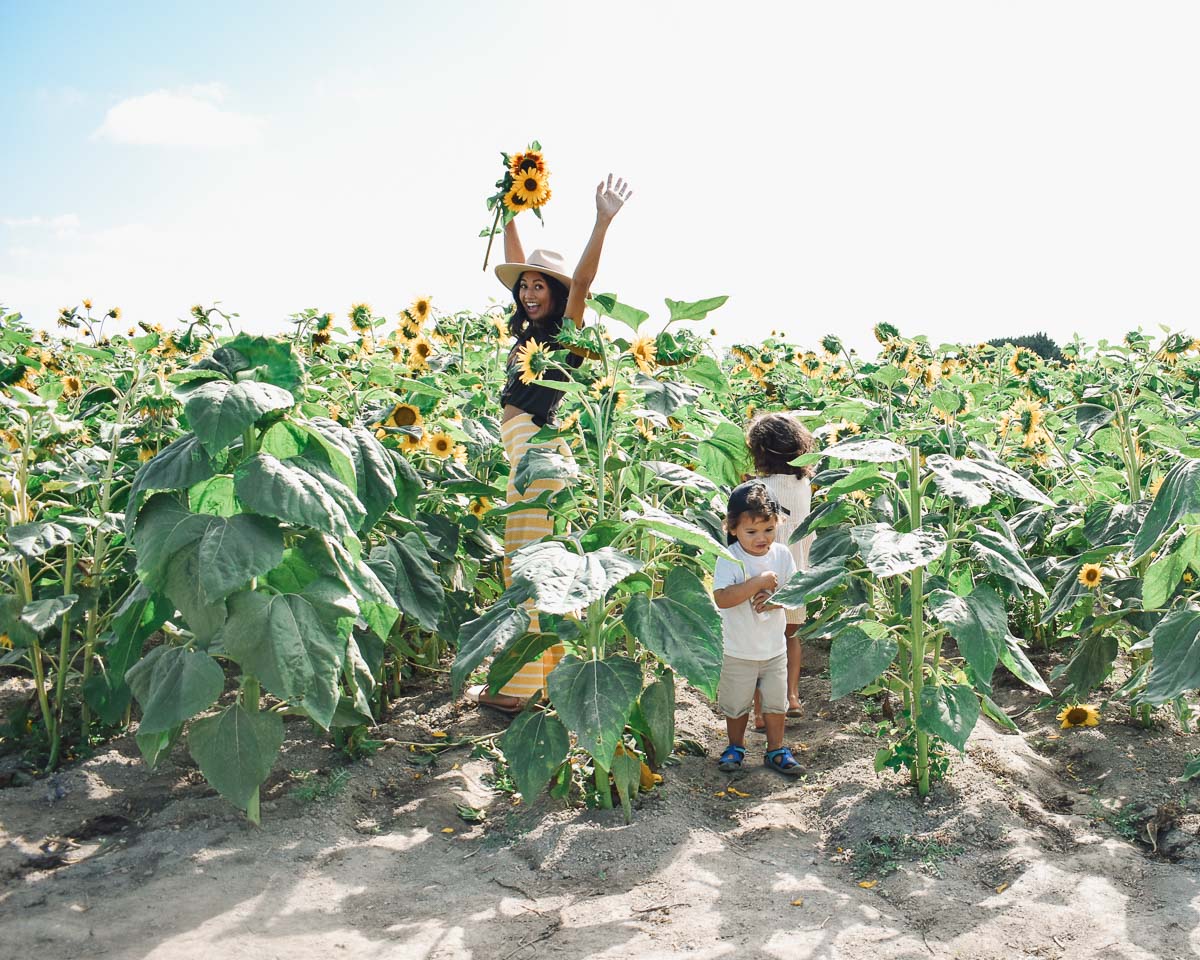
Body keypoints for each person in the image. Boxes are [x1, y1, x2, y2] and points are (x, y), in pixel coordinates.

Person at [467, 174, 633, 715]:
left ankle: (519, 691)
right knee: (533, 567)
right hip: (529, 456)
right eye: (526, 286)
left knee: (533, 570)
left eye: (541, 286)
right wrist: (511, 209)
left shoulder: (564, 333)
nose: (529, 293)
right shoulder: (527, 335)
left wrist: (601, 221)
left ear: (558, 294)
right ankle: (537, 682)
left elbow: (582, 283)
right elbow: (514, 266)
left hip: (539, 456)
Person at [712, 480, 803, 776]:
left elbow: (796, 592)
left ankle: (776, 749)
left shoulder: (782, 555)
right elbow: (722, 598)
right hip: (737, 649)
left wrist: (775, 601)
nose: (761, 538)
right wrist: (758, 583)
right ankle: (735, 746)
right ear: (733, 528)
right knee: (736, 706)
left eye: (768, 529)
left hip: (774, 649)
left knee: (776, 705)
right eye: (751, 532)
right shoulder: (730, 557)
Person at [746, 412, 815, 731]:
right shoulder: (805, 484)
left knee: (761, 645)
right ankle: (791, 698)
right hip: (797, 574)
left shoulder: (759, 487)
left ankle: (761, 713)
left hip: (765, 574)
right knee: (791, 636)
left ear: (762, 452)